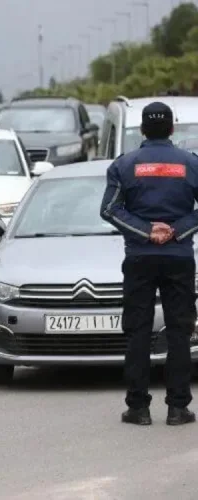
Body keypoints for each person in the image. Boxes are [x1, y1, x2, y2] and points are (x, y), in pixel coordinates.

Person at [100, 101, 198, 426]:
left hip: (140, 258)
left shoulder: (124, 165)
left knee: (138, 332)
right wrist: (177, 231)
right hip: (180, 258)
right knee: (180, 333)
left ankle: (138, 408)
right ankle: (178, 408)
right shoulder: (191, 163)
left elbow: (110, 210)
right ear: (172, 129)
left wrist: (145, 231)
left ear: (142, 129)